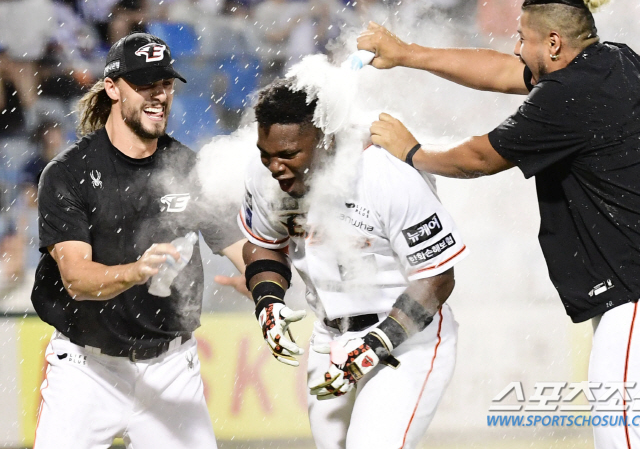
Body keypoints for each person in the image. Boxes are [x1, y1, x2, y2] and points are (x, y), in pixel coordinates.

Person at [358, 0, 640, 449]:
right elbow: (502, 72)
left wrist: (412, 151)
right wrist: (408, 54)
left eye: (523, 38)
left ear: (554, 43)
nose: (515, 47)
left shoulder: (570, 97)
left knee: (626, 443)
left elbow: (478, 159)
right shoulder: (616, 61)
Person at [31, 32, 243, 449]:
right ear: (112, 88)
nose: (159, 95)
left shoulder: (189, 167)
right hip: (86, 369)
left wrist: (267, 289)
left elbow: (242, 248)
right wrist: (137, 271)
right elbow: (76, 277)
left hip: (171, 367)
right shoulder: (68, 173)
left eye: (164, 84)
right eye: (144, 84)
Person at [236, 78, 466, 448]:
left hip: (406, 340)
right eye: (267, 153)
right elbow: (264, 244)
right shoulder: (262, 173)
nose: (275, 167)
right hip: (330, 337)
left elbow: (438, 278)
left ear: (325, 139)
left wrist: (378, 342)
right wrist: (267, 301)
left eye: (289, 154)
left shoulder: (387, 174)